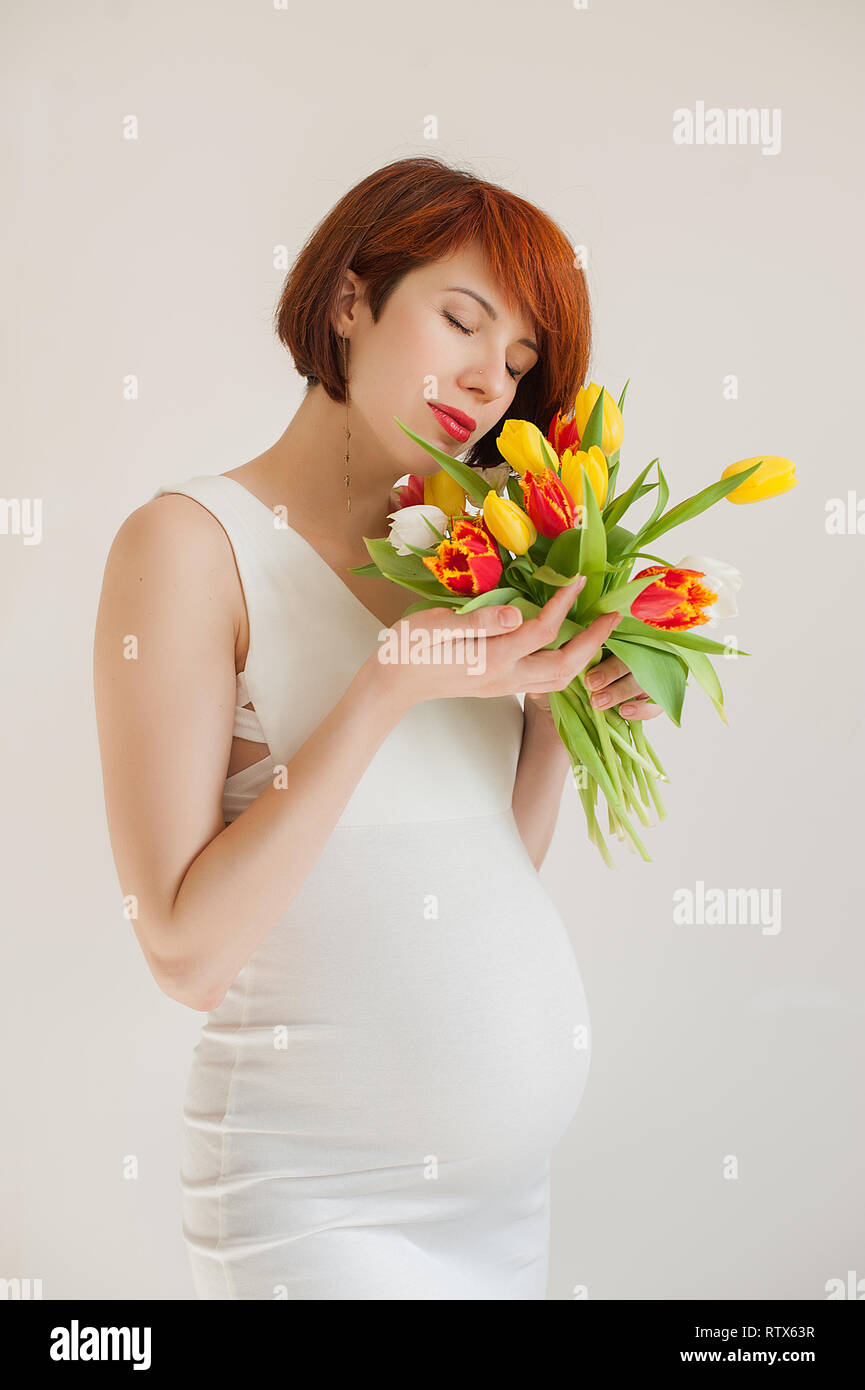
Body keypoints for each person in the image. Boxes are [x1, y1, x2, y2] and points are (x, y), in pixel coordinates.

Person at [93, 155, 659, 1300]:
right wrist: (381, 691)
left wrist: (559, 710)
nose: (488, 378)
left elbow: (483, 863)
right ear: (350, 300)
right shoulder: (189, 546)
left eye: (517, 361)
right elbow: (184, 953)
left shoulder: (468, 564)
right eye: (461, 318)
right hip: (314, 1201)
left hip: (504, 1207)